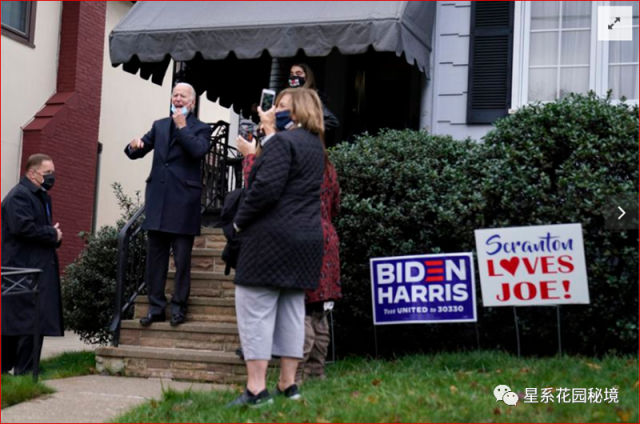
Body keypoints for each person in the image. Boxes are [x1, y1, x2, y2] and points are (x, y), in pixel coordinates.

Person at [227, 88, 325, 407]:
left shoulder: (283, 142)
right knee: (292, 312)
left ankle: (256, 390)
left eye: (283, 107)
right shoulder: (316, 147)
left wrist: (238, 223)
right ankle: (288, 385)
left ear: (296, 112)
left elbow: (264, 189)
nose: (275, 111)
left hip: (271, 238)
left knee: (255, 308)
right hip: (307, 238)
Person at [237, 119, 342, 386]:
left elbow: (262, 187)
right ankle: (316, 373)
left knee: (299, 310)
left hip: (296, 235)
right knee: (318, 311)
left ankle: (292, 377)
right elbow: (336, 204)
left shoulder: (292, 158)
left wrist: (250, 158)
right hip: (324, 237)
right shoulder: (327, 167)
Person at [125, 83, 213, 327]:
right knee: (155, 260)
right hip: (158, 201)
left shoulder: (201, 128)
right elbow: (138, 150)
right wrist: (133, 146)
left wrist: (183, 128)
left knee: (182, 261)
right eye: (175, 94)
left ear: (192, 103)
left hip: (184, 203)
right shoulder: (159, 125)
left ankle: (179, 308)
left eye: (183, 96)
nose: (177, 98)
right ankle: (156, 307)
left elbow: (198, 151)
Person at [2, 154, 64, 375]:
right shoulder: (20, 196)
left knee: (31, 323)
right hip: (21, 270)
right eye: (47, 173)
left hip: (35, 269)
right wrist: (52, 233)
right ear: (32, 173)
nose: (51, 178)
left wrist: (54, 235)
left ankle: (24, 373)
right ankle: (22, 373)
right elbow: (23, 228)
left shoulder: (39, 196)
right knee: (24, 323)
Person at [288, 63, 340, 131]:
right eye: (292, 74)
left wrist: (306, 129)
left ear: (307, 77)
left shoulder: (311, 97)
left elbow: (332, 121)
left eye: (298, 73)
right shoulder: (287, 96)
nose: (294, 76)